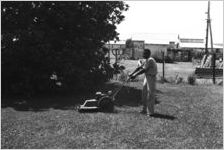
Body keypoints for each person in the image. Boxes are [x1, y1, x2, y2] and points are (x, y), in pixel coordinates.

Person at [129, 49, 158, 116]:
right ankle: (144, 109)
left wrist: (135, 75)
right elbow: (139, 68)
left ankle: (150, 112)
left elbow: (144, 70)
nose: (143, 55)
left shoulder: (150, 60)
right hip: (147, 77)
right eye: (143, 53)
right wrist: (132, 73)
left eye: (145, 54)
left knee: (150, 94)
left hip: (151, 77)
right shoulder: (146, 60)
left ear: (149, 54)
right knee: (144, 94)